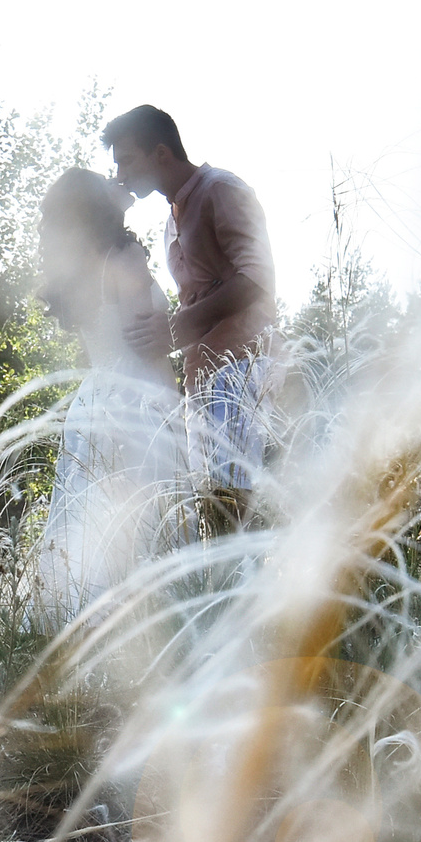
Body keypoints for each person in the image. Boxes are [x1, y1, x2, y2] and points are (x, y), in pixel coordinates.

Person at [103, 105, 278, 527]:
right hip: (201, 380)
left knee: (232, 513)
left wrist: (178, 328)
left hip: (241, 366)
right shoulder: (170, 220)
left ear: (161, 153)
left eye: (127, 160)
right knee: (212, 512)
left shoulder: (221, 190)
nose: (121, 174)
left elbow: (256, 278)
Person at [30, 168, 180, 625]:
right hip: (139, 399)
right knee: (148, 512)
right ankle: (149, 623)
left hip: (95, 401)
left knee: (89, 519)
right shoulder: (126, 256)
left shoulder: (75, 271)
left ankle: (82, 621)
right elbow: (147, 338)